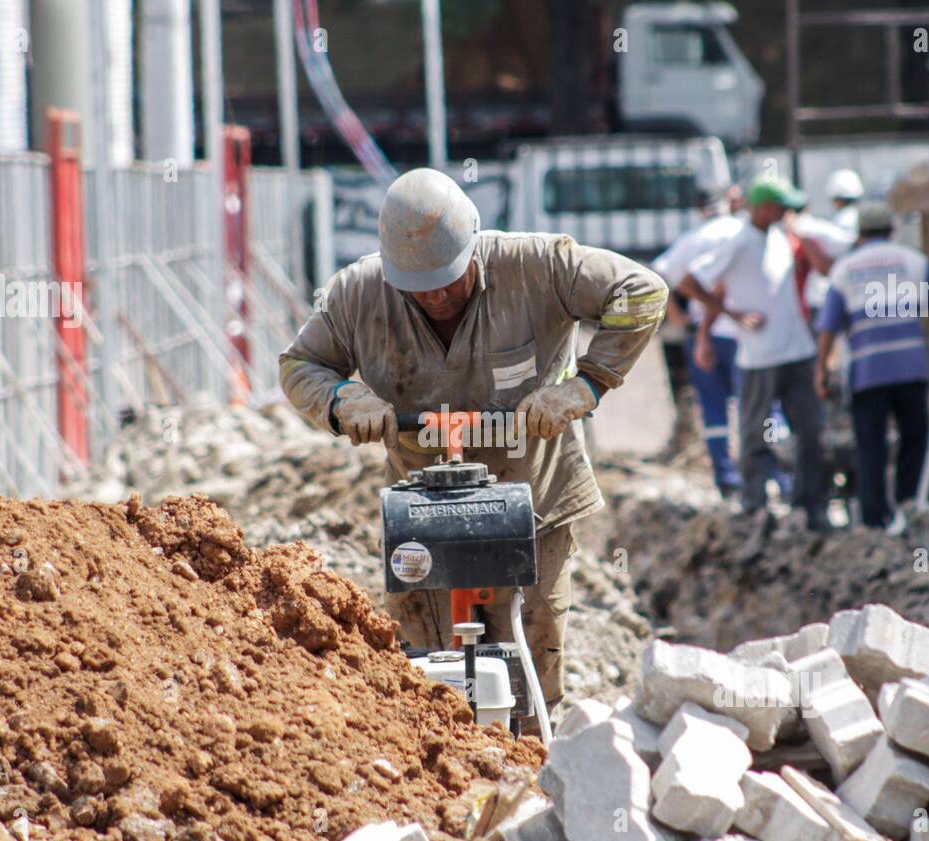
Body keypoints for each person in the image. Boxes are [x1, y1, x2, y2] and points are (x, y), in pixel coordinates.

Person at [279, 168, 667, 734]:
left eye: (448, 279)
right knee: (428, 669)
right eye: (419, 285)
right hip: (425, 510)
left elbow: (642, 291)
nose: (436, 296)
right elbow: (299, 364)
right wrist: (341, 400)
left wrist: (585, 385)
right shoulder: (358, 294)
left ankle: (534, 765)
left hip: (534, 499)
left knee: (530, 655)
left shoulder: (538, 267)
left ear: (474, 248)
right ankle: (444, 779)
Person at [679, 176, 828, 530]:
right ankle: (754, 503)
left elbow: (825, 266)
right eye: (779, 206)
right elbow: (690, 281)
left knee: (810, 431)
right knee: (755, 433)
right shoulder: (739, 242)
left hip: (797, 351)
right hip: (761, 356)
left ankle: (810, 505)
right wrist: (730, 317)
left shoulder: (780, 236)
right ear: (763, 207)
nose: (785, 212)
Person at [814, 200, 929, 529]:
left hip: (868, 373)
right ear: (891, 230)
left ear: (860, 233)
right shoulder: (916, 262)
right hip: (911, 368)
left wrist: (821, 368)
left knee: (870, 445)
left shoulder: (844, 270)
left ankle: (874, 519)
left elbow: (828, 327)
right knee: (914, 438)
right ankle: (909, 507)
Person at [653, 188, 742, 494]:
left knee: (713, 407)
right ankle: (765, 474)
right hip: (744, 332)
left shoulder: (691, 240)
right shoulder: (743, 232)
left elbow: (658, 274)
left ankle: (727, 478)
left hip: (703, 335)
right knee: (756, 405)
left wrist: (678, 317)